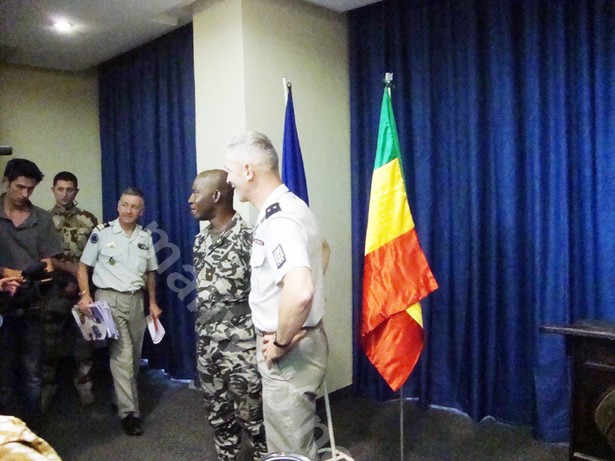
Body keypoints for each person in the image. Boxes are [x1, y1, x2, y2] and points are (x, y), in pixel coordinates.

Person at [225, 132, 330, 459]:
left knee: (289, 451)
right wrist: (298, 313)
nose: (229, 180)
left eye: (231, 172)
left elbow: (300, 291)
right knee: (300, 443)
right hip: (302, 339)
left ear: (248, 170)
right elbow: (324, 251)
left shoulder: (278, 220)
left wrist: (283, 339)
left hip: (289, 350)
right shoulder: (291, 205)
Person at [189, 169, 267, 460]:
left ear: (217, 195)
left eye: (196, 192)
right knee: (219, 418)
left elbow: (267, 294)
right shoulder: (201, 241)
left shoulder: (251, 238)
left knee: (255, 421)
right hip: (207, 345)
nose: (190, 199)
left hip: (240, 349)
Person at [77, 187, 161, 436]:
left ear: (141, 211)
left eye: (134, 206)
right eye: (125, 205)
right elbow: (83, 267)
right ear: (118, 206)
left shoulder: (145, 237)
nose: (128, 210)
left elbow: (150, 273)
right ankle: (129, 413)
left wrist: (152, 302)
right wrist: (85, 294)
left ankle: (120, 396)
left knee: (134, 357)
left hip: (136, 300)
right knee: (122, 355)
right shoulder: (101, 233)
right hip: (109, 299)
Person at [0, 158, 63, 423]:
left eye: (31, 189)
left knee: (32, 374)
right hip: (1, 307)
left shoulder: (42, 218)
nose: (24, 194)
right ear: (7, 181)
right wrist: (6, 273)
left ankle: (33, 435)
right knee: (2, 375)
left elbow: (50, 261)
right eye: (19, 187)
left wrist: (41, 270)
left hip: (32, 304)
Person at [41, 171, 99, 409]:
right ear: (53, 190)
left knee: (84, 339)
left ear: (76, 191)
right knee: (50, 341)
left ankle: (84, 384)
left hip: (82, 290)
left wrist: (81, 283)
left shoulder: (89, 219)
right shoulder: (42, 220)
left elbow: (97, 255)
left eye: (70, 189)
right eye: (60, 189)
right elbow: (41, 256)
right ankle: (48, 386)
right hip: (53, 290)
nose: (65, 194)